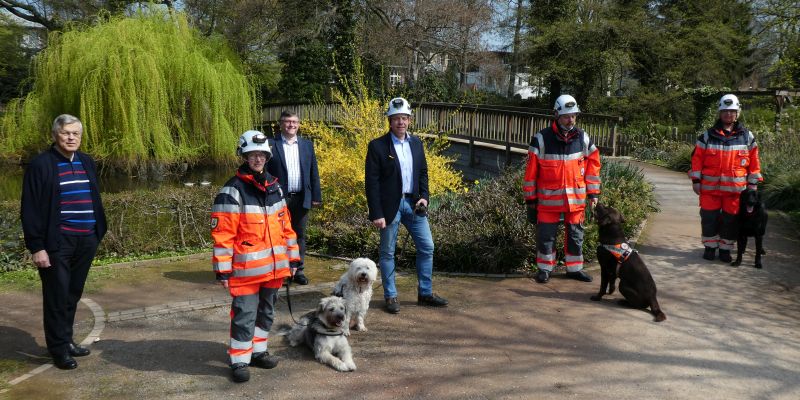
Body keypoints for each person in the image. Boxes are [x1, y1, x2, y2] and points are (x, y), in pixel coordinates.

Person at [210, 130, 301, 383]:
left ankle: (258, 351)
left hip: (274, 268)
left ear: (267, 156)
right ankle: (239, 358)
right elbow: (223, 234)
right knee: (245, 315)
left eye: (261, 154)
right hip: (246, 271)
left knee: (266, 313)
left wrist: (293, 259)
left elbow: (287, 228)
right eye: (252, 155)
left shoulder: (275, 186)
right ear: (244, 156)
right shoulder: (232, 190)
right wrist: (223, 270)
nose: (258, 159)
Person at [21, 114, 107, 370]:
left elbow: (93, 197)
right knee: (57, 295)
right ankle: (58, 350)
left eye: (75, 134)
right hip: (57, 242)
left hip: (86, 239)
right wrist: (37, 246)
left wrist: (97, 231)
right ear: (55, 135)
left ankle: (66, 340)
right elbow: (30, 208)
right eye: (66, 133)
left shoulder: (86, 162)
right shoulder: (41, 165)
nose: (71, 138)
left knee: (72, 293)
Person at [365, 97, 448, 314]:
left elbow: (422, 173)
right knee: (388, 252)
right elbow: (371, 182)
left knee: (427, 246)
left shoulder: (416, 143)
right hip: (390, 207)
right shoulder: (377, 146)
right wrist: (376, 212)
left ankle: (425, 293)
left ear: (409, 120)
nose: (401, 122)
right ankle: (391, 296)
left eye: (404, 118)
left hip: (413, 204)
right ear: (390, 121)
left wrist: (425, 197)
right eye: (396, 118)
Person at [523, 94, 601, 284]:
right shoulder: (541, 139)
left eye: (574, 115)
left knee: (576, 236)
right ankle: (544, 268)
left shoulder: (583, 138)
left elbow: (593, 165)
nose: (571, 119)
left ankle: (574, 269)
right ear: (556, 115)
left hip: (575, 200)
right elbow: (531, 173)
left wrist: (593, 193)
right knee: (546, 236)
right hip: (548, 202)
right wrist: (530, 200)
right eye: (567, 116)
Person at [688, 94, 762, 262]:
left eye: (732, 111)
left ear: (738, 113)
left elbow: (755, 162)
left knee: (731, 221)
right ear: (719, 113)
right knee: (709, 219)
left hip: (735, 191)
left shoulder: (747, 137)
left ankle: (725, 250)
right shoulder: (707, 136)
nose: (728, 114)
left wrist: (753, 184)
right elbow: (696, 160)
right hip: (709, 189)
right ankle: (709, 247)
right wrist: (696, 181)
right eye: (725, 111)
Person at [266, 111, 322, 285]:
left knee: (300, 235)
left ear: (298, 124)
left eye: (294, 122)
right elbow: (265, 172)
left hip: (301, 197)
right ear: (280, 124)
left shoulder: (307, 145)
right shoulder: (271, 144)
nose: (291, 125)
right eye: (287, 121)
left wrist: (316, 197)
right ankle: (282, 271)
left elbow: (314, 172)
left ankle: (298, 270)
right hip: (278, 199)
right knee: (278, 235)